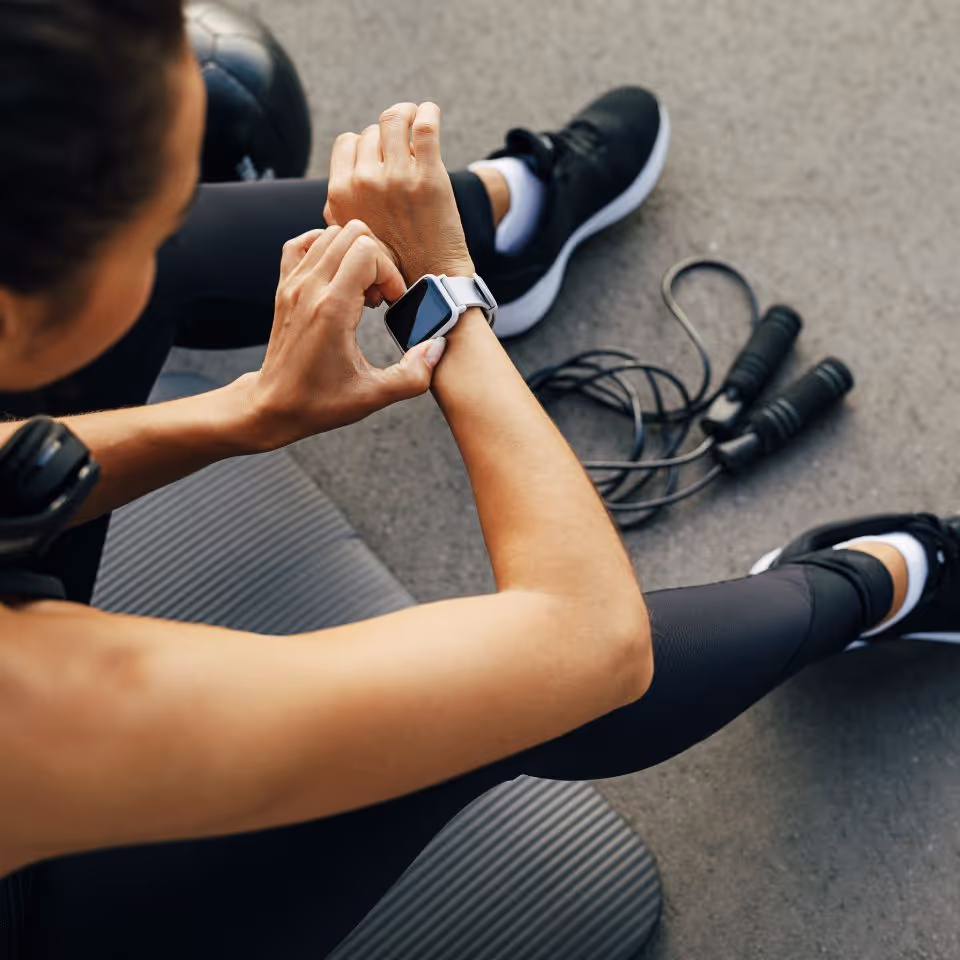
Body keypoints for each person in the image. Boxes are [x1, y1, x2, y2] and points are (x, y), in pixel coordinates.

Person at [0, 2, 956, 957]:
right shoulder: (38, 703)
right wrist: (444, 298)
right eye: (169, 190)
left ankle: (516, 220)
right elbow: (589, 644)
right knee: (508, 704)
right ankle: (871, 584)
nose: (180, 198)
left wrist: (243, 413)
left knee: (168, 250)